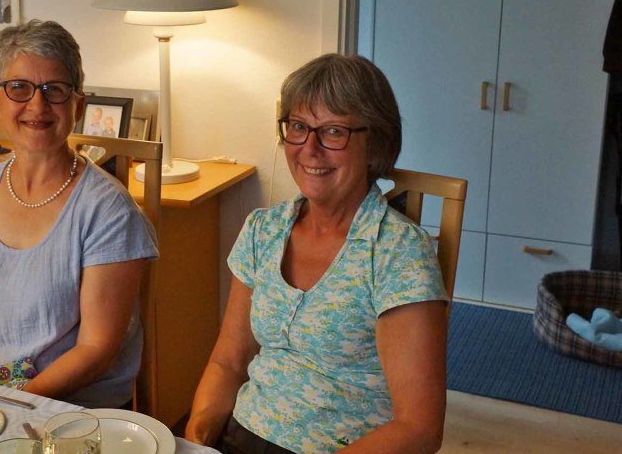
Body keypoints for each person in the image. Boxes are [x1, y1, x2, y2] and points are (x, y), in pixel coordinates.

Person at [186, 54, 448, 453]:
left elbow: (419, 428)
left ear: (375, 142)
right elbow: (229, 362)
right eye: (298, 127)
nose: (310, 149)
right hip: (242, 434)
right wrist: (197, 438)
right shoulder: (263, 230)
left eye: (333, 132)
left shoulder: (398, 253)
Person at [0, 19, 157, 408]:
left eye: (55, 90)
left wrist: (5, 406)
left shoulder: (108, 211)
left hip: (65, 410)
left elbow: (96, 349)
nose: (37, 105)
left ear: (77, 105)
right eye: (19, 88)